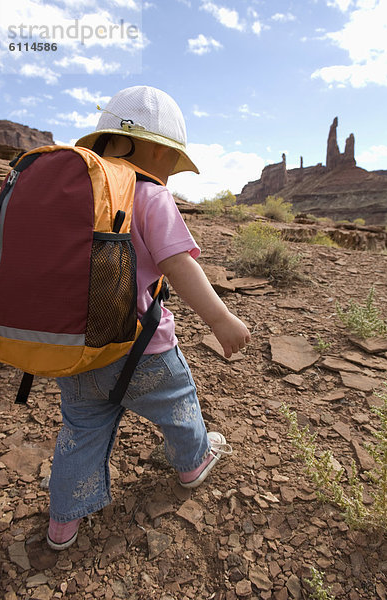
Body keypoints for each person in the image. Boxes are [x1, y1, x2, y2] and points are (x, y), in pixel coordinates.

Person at [47, 86, 250, 550]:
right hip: (144, 350)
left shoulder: (74, 195)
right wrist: (221, 319)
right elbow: (179, 265)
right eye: (170, 161)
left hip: (78, 351)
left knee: (81, 431)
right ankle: (192, 463)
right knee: (179, 407)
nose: (170, 175)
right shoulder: (151, 196)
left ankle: (63, 522)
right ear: (152, 150)